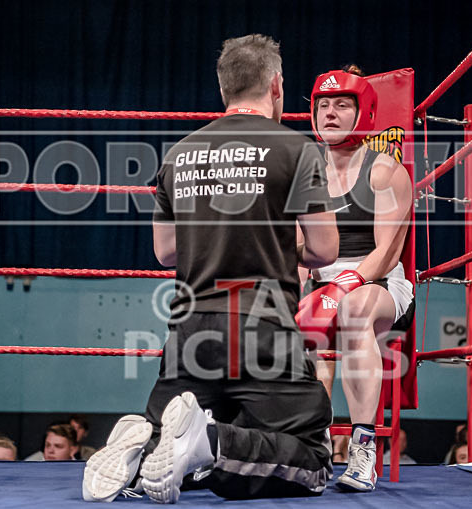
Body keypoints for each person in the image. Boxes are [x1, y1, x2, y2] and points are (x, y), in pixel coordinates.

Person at [82, 34, 339, 504]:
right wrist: (277, 241)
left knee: (174, 441)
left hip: (188, 330)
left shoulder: (178, 153)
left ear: (223, 89)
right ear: (276, 86)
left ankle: (147, 444)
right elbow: (325, 250)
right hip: (263, 325)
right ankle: (209, 442)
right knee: (313, 461)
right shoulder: (297, 149)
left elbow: (165, 252)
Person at [296, 65, 414, 492]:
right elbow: (298, 250)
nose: (330, 113)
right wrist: (291, 294)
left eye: (342, 105)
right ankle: (310, 444)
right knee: (278, 315)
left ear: (364, 112)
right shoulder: (304, 174)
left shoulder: (385, 171)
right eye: (323, 105)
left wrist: (341, 286)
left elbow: (387, 252)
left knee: (352, 309)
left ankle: (364, 449)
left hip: (378, 284)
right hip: (323, 282)